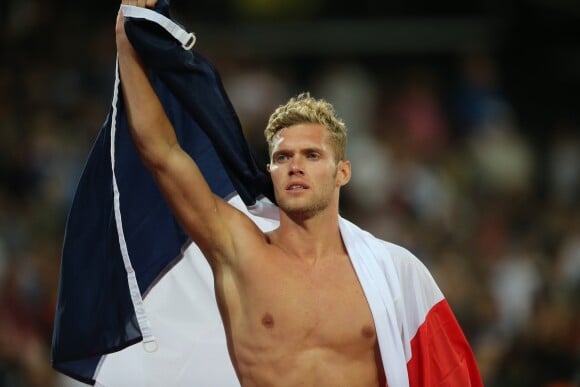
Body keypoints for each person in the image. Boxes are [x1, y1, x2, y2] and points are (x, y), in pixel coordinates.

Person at [115, 1, 483, 386]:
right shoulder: (240, 250)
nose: (295, 165)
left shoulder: (395, 273)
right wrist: (126, 40)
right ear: (270, 171)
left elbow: (447, 373)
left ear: (342, 172)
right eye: (283, 156)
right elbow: (162, 154)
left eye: (311, 155)